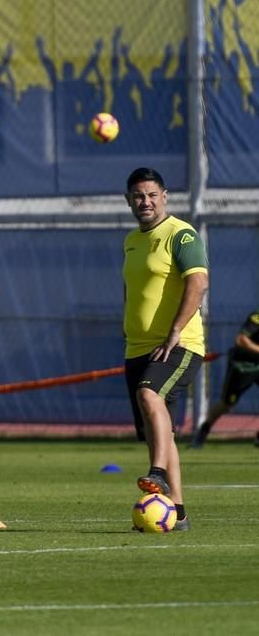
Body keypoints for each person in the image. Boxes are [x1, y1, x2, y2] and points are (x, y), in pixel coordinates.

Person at [122, 167, 208, 531]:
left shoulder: (180, 234)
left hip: (177, 344)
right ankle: (178, 513)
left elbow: (199, 282)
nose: (146, 201)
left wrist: (174, 331)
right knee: (162, 432)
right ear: (129, 200)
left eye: (152, 195)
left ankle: (157, 474)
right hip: (137, 349)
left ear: (165, 196)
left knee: (149, 393)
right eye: (139, 196)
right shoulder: (131, 240)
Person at [190, 307, 259, 448]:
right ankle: (203, 430)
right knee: (227, 404)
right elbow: (241, 340)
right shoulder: (257, 317)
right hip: (243, 367)